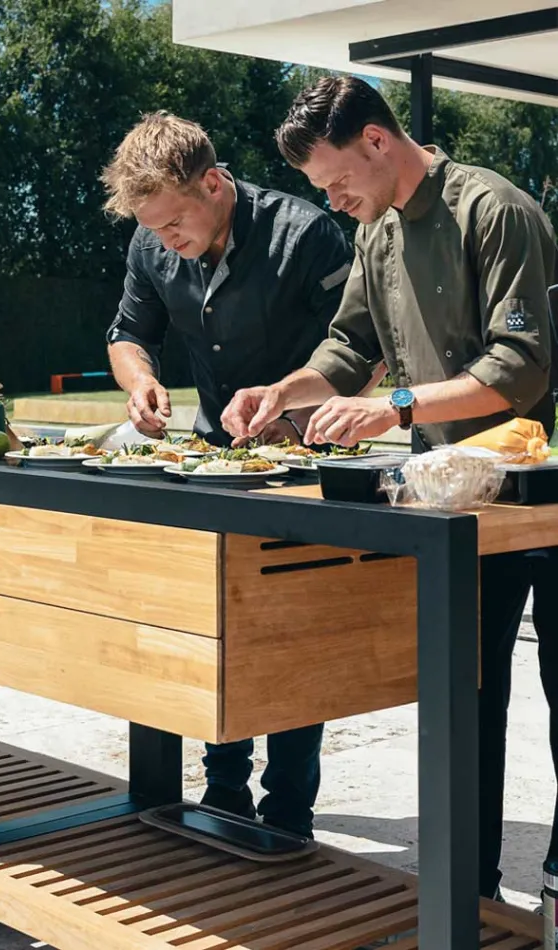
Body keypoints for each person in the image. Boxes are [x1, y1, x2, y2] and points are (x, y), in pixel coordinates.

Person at [222, 75, 558, 899]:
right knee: (464, 693)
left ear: (377, 140)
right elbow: (348, 347)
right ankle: (467, 891)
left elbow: (520, 368)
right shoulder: (375, 233)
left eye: (336, 179)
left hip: (541, 496)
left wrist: (395, 407)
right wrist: (283, 392)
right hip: (451, 501)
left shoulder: (496, 210)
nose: (332, 200)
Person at [99, 110, 355, 838]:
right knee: (220, 630)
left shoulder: (306, 233)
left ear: (213, 183)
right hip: (214, 464)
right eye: (152, 229)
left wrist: (294, 418)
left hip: (305, 463)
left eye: (174, 223)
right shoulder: (152, 242)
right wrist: (141, 381)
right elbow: (128, 334)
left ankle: (289, 811)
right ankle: (223, 795)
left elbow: (361, 350)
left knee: (291, 640)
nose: (165, 240)